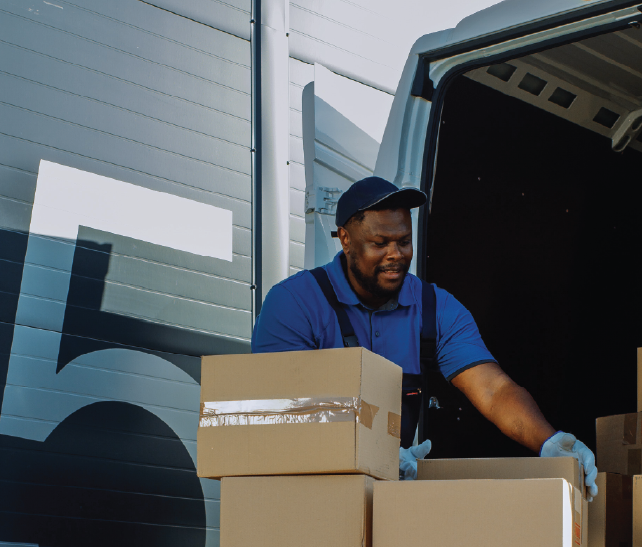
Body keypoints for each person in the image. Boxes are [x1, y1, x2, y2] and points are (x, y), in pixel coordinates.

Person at [252, 176, 597, 496]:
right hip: (303, 492)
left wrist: (548, 441)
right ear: (345, 239)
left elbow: (494, 390)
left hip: (385, 497)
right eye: (380, 243)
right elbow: (280, 411)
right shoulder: (294, 303)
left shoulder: (436, 308)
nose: (395, 255)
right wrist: (371, 455)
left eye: (404, 241)